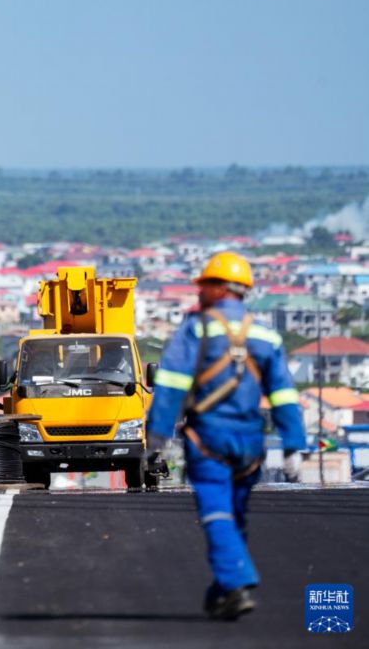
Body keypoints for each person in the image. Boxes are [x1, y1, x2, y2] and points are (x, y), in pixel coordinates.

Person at [146, 251, 306, 620]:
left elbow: (170, 385)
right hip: (251, 442)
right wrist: (294, 445)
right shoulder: (265, 334)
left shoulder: (197, 328)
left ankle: (237, 580)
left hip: (209, 439)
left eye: (204, 285)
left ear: (219, 288)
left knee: (216, 511)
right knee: (235, 514)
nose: (199, 292)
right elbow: (283, 393)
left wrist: (156, 438)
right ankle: (223, 591)